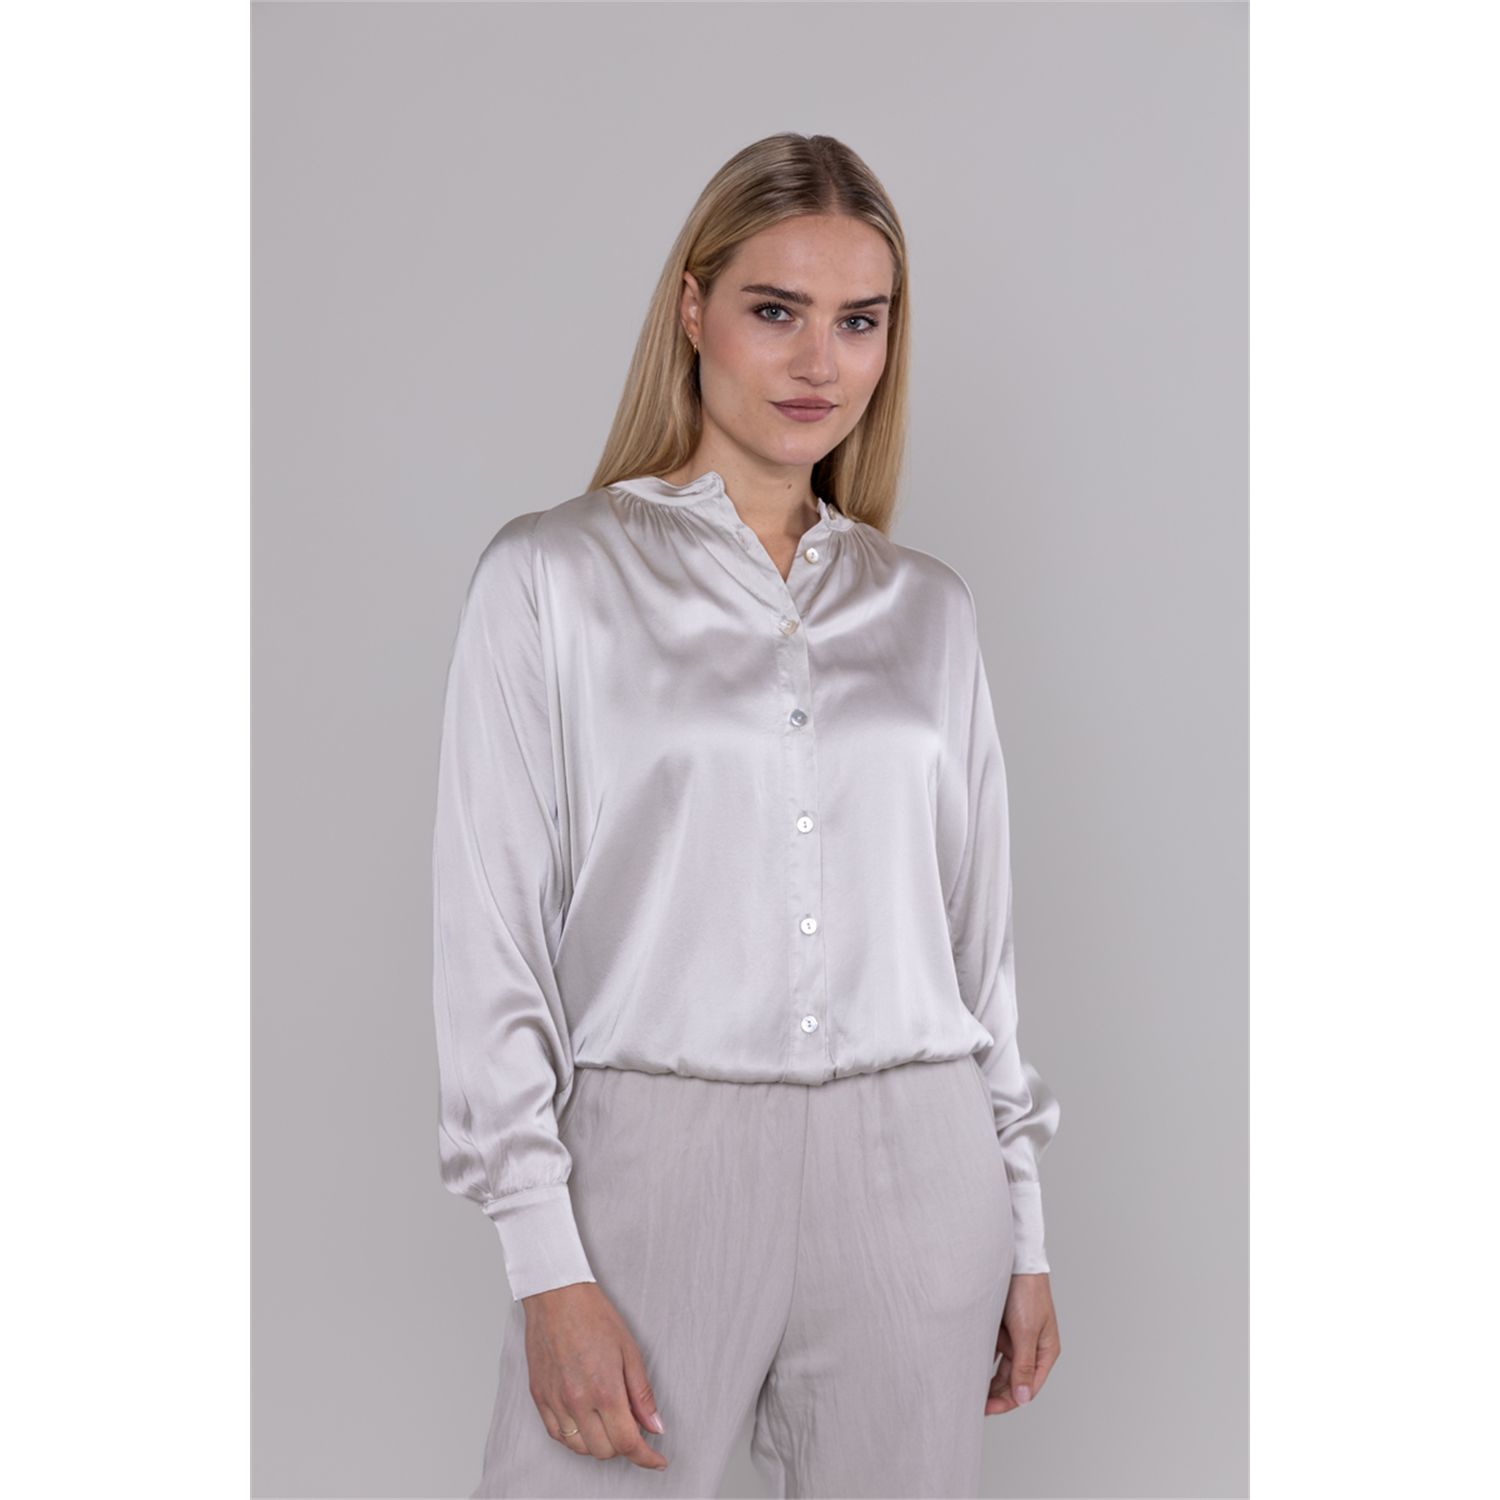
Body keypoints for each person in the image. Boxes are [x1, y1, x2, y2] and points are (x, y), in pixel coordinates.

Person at [431, 132, 1062, 1499]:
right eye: (777, 310)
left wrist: (1025, 1226)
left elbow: (979, 946)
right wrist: (545, 1261)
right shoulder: (551, 579)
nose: (818, 361)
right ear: (693, 308)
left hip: (918, 1161)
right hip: (654, 1163)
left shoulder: (927, 609)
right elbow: (491, 943)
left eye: (860, 321)